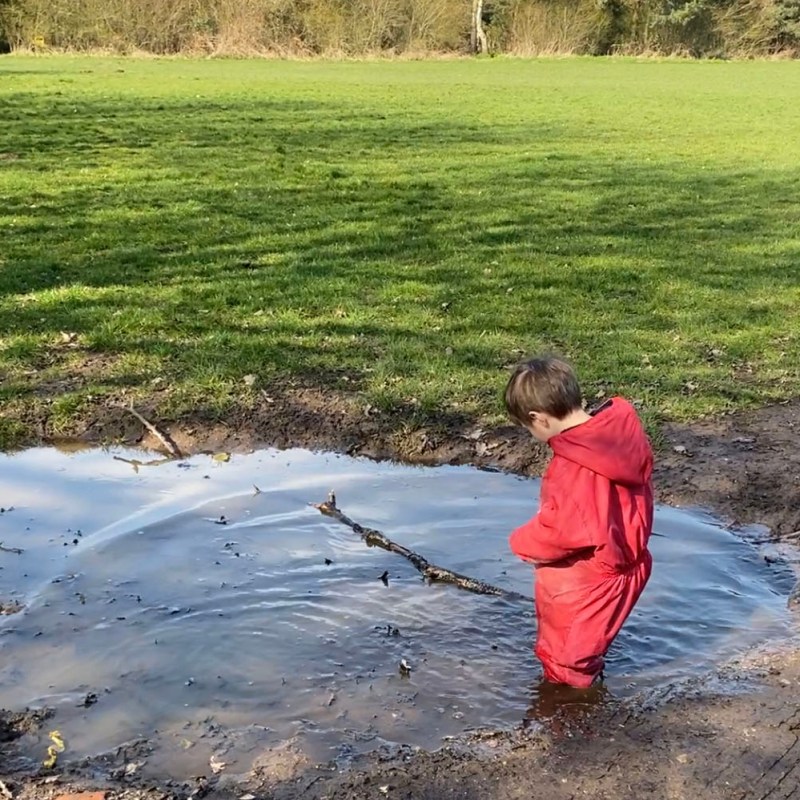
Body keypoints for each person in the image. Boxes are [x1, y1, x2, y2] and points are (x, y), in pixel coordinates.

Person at [504, 356, 653, 688]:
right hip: (627, 562)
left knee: (565, 658)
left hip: (588, 577)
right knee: (586, 647)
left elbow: (563, 530)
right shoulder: (618, 439)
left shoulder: (573, 468)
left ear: (538, 419)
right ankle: (586, 690)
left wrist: (522, 542)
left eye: (528, 428)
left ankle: (572, 724)